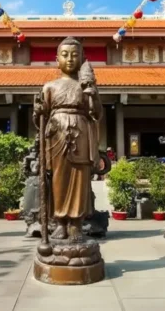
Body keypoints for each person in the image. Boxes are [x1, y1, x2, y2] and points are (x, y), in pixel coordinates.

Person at [34, 37, 103, 241]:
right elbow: (40, 119)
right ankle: (60, 223)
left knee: (80, 180)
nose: (70, 59)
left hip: (81, 133)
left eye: (75, 55)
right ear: (57, 60)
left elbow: (97, 114)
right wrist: (38, 110)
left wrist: (93, 96)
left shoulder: (86, 86)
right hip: (56, 134)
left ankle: (76, 225)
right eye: (65, 55)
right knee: (58, 180)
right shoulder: (50, 87)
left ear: (82, 58)